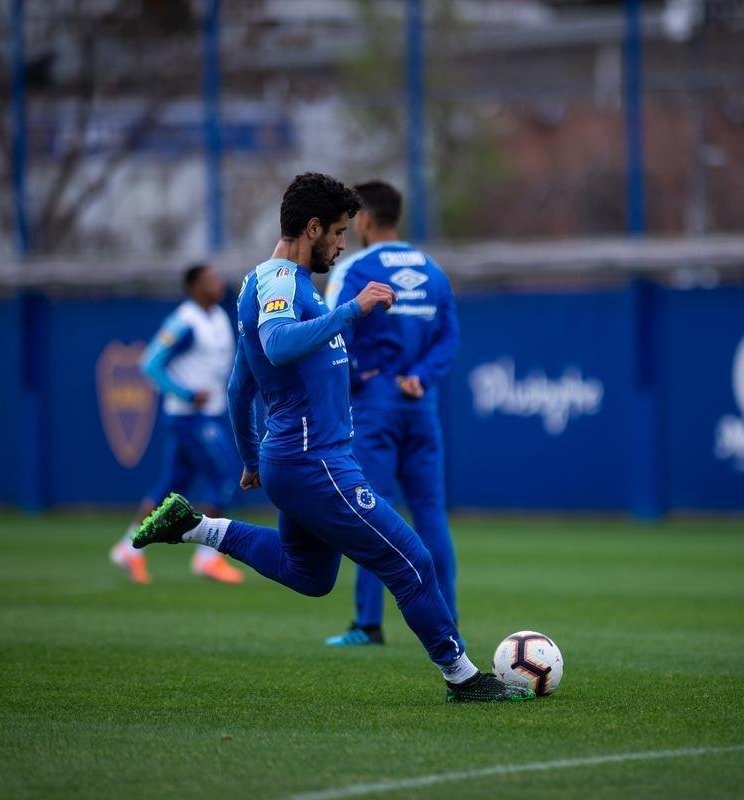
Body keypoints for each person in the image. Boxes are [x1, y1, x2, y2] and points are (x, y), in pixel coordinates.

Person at [131, 172, 532, 702]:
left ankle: (196, 527)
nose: (343, 244)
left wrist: (250, 459)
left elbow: (238, 387)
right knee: (411, 561)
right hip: (314, 460)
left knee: (310, 575)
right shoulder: (280, 280)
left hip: (294, 459)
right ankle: (463, 678)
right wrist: (352, 310)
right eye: (339, 232)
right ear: (313, 227)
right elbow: (276, 346)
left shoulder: (265, 283)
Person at [321, 180, 459, 647]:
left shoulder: (356, 267)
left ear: (363, 219)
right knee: (431, 515)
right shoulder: (433, 270)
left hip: (375, 405)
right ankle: (447, 622)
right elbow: (450, 337)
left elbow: (332, 333)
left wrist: (362, 375)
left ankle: (368, 624)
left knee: (370, 512)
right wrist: (422, 374)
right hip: (421, 404)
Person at [110, 264, 244, 586]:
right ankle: (207, 557)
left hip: (208, 414)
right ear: (194, 286)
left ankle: (129, 547)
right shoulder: (185, 321)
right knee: (224, 478)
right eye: (210, 279)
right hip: (191, 418)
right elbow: (150, 363)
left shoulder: (218, 316)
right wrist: (186, 393)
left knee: (172, 485)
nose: (218, 282)